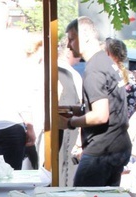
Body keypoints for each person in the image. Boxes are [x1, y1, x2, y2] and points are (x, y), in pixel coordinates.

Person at [63, 16, 131, 187]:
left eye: (71, 39)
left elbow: (101, 115)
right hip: (117, 146)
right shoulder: (105, 62)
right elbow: (109, 104)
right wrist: (76, 109)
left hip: (102, 150)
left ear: (85, 36)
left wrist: (70, 122)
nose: (68, 45)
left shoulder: (94, 69)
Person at [57, 36, 83, 187]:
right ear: (68, 50)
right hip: (65, 132)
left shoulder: (47, 68)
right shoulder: (70, 74)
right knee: (64, 170)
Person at [105, 37, 136, 117]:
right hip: (130, 124)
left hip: (113, 125)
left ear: (109, 54)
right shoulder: (134, 76)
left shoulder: (109, 77)